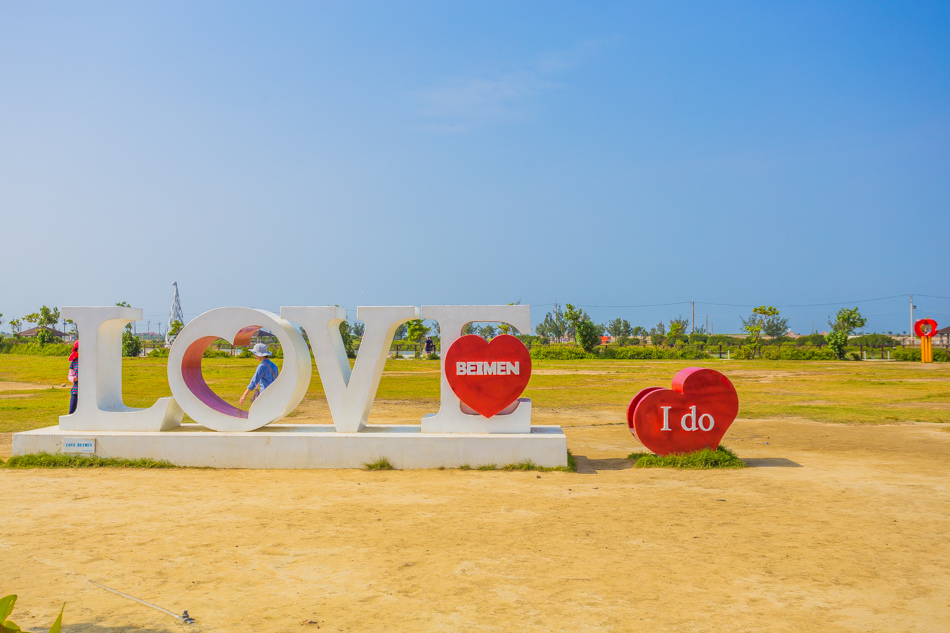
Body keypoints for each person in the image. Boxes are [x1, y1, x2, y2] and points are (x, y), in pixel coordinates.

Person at [67, 340, 79, 414]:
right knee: (72, 411)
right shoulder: (74, 361)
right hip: (76, 390)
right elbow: (70, 375)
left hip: (88, 391)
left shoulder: (91, 361)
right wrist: (73, 378)